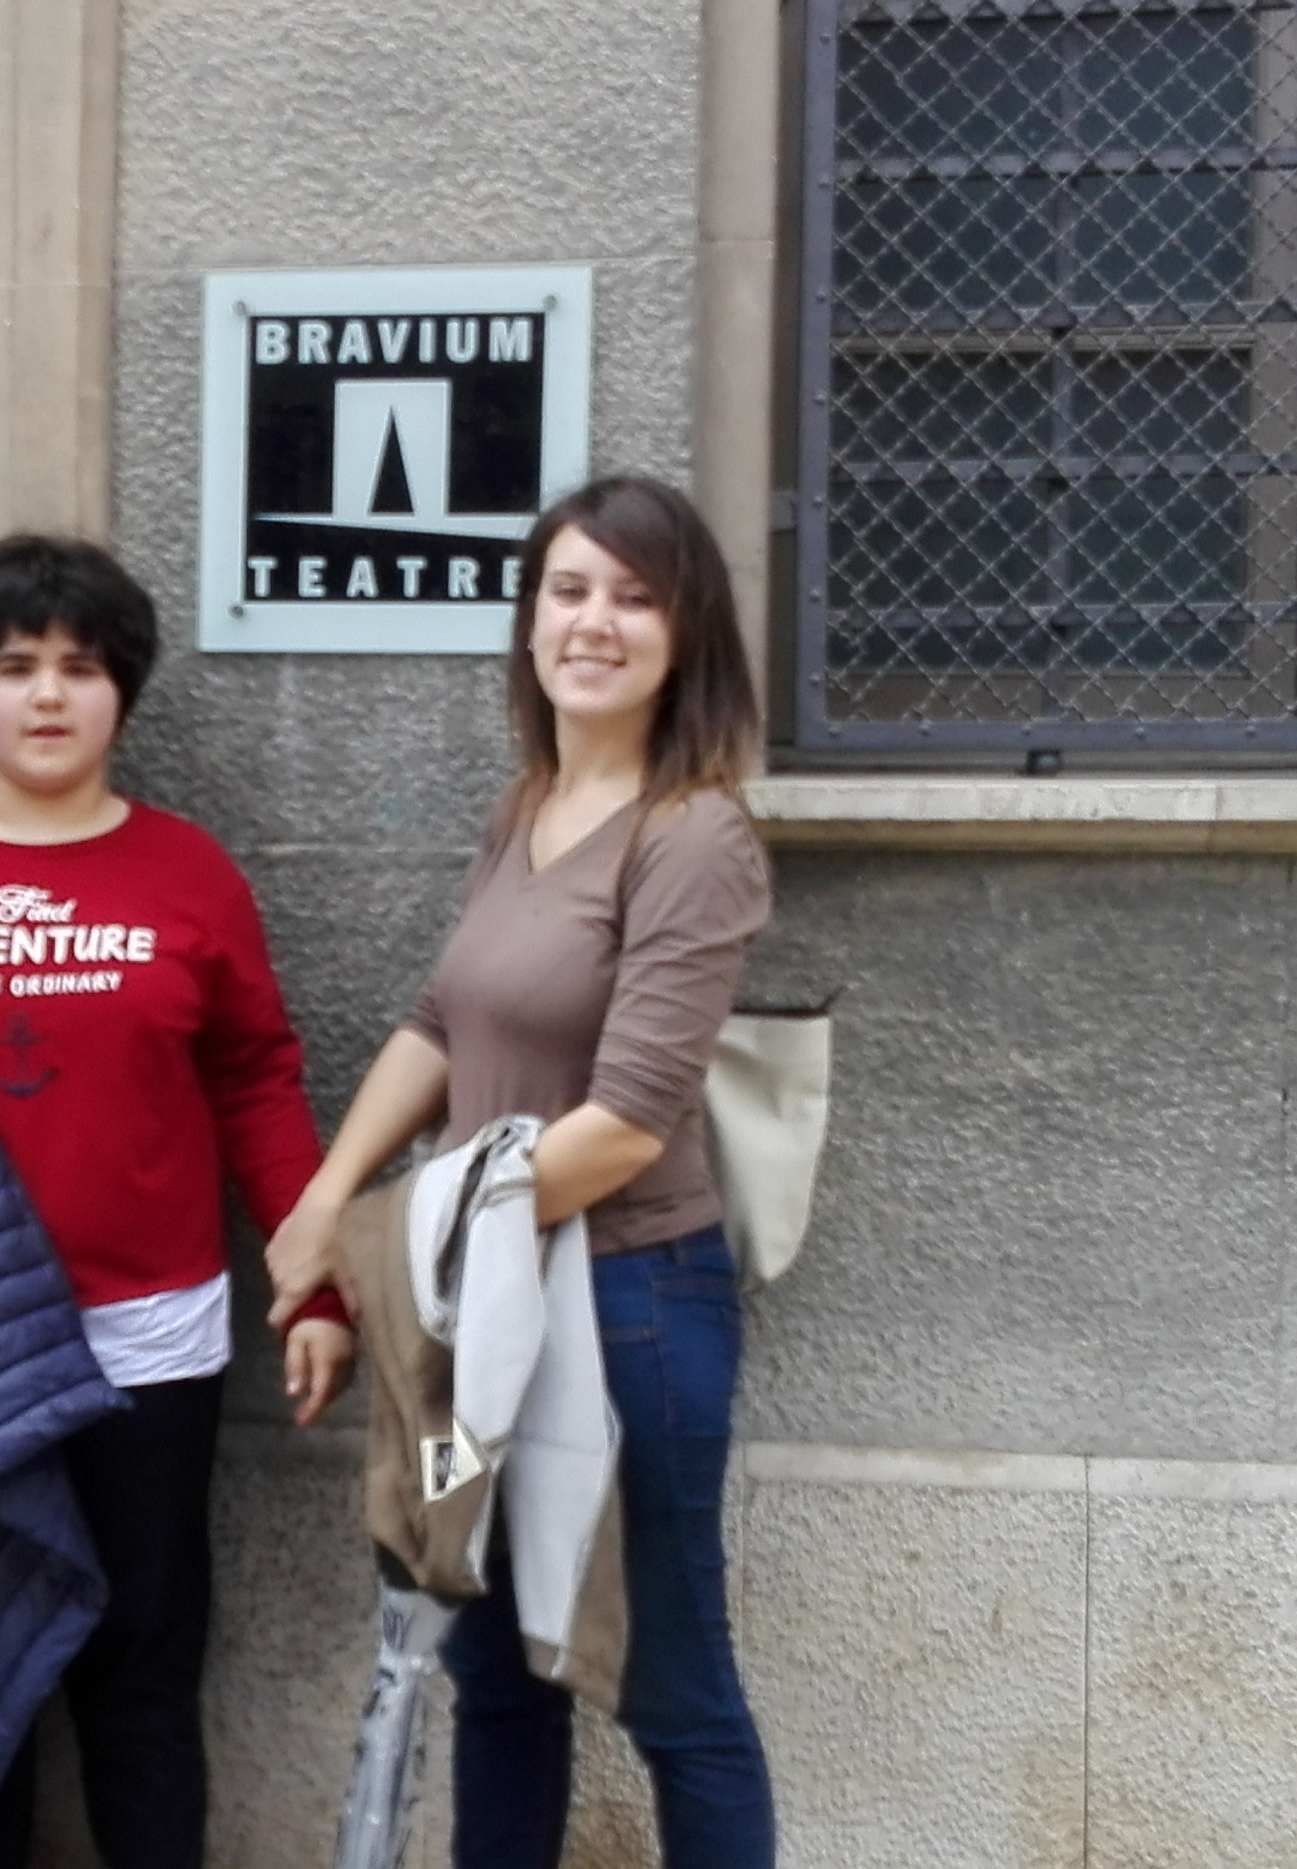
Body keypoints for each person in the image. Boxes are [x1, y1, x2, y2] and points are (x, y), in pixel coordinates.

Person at [0, 534, 356, 1869]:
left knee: (140, 1657)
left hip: (143, 1340)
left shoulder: (189, 873)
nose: (47, 695)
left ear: (121, 692)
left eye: (80, 667)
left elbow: (257, 1082)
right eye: (14, 667)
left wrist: (316, 1284)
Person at [263, 476, 776, 1869]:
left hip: (628, 1313)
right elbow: (439, 1023)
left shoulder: (695, 835)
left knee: (672, 1690)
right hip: (481, 1308)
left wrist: (398, 1239)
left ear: (686, 632)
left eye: (634, 597)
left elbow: (627, 1123)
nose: (594, 623)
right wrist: (324, 1203)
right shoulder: (529, 805)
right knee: (493, 1673)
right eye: (569, 589)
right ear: (531, 616)